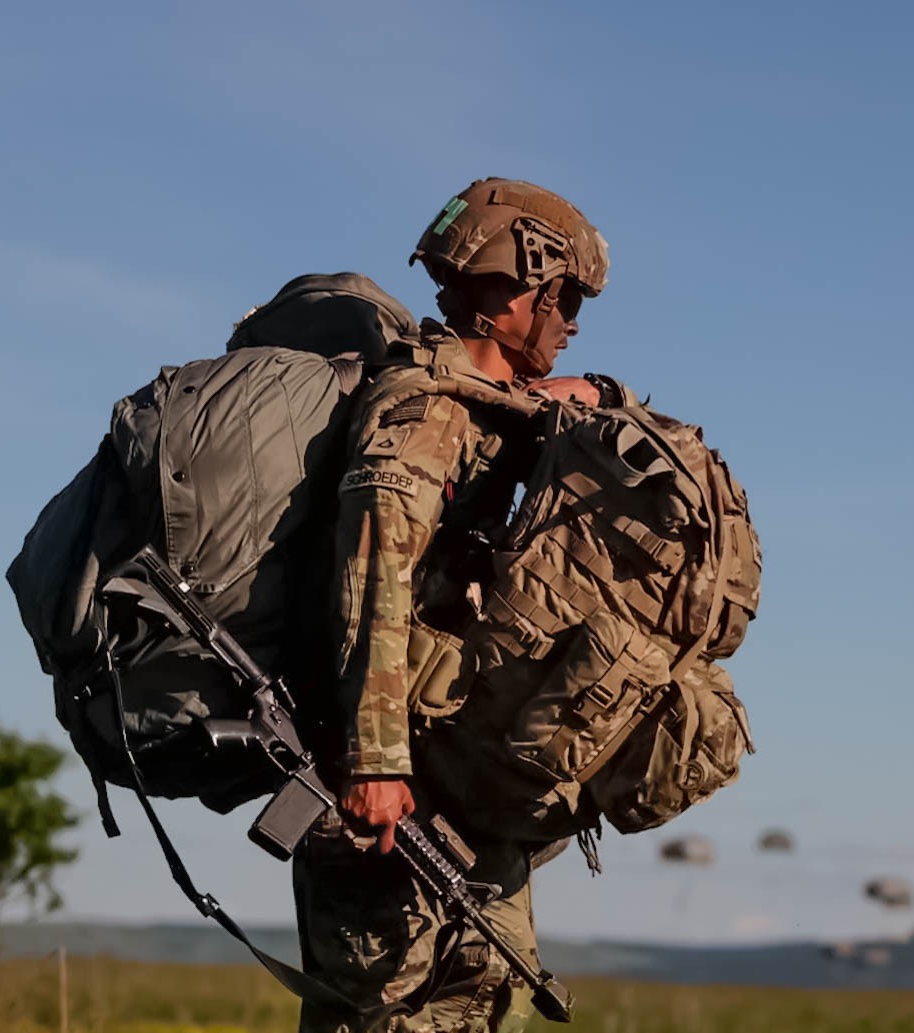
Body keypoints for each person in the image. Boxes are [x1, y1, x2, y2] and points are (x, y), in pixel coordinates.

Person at [293, 178, 613, 1033]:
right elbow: (375, 576)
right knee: (386, 1014)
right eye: (565, 297)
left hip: (453, 776)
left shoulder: (476, 405)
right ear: (517, 288)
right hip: (393, 789)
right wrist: (374, 764)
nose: (572, 319)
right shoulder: (420, 411)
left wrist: (574, 398)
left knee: (478, 999)